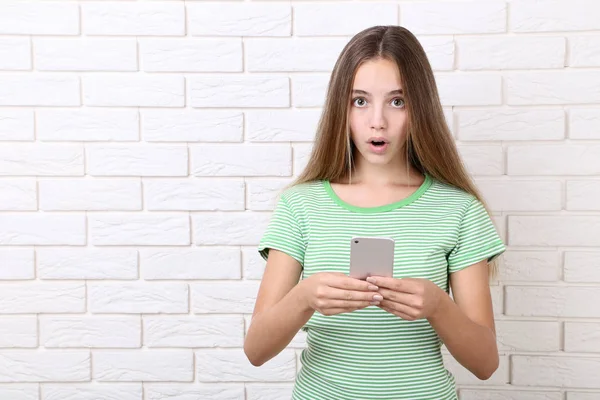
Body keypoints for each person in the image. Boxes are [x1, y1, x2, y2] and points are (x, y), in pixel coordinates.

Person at [243, 25, 506, 400]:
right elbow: (256, 350)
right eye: (360, 101)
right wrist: (304, 297)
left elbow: (485, 364)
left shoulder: (459, 210)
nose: (377, 121)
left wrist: (436, 305)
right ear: (341, 108)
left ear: (421, 108)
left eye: (397, 101)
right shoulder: (300, 205)